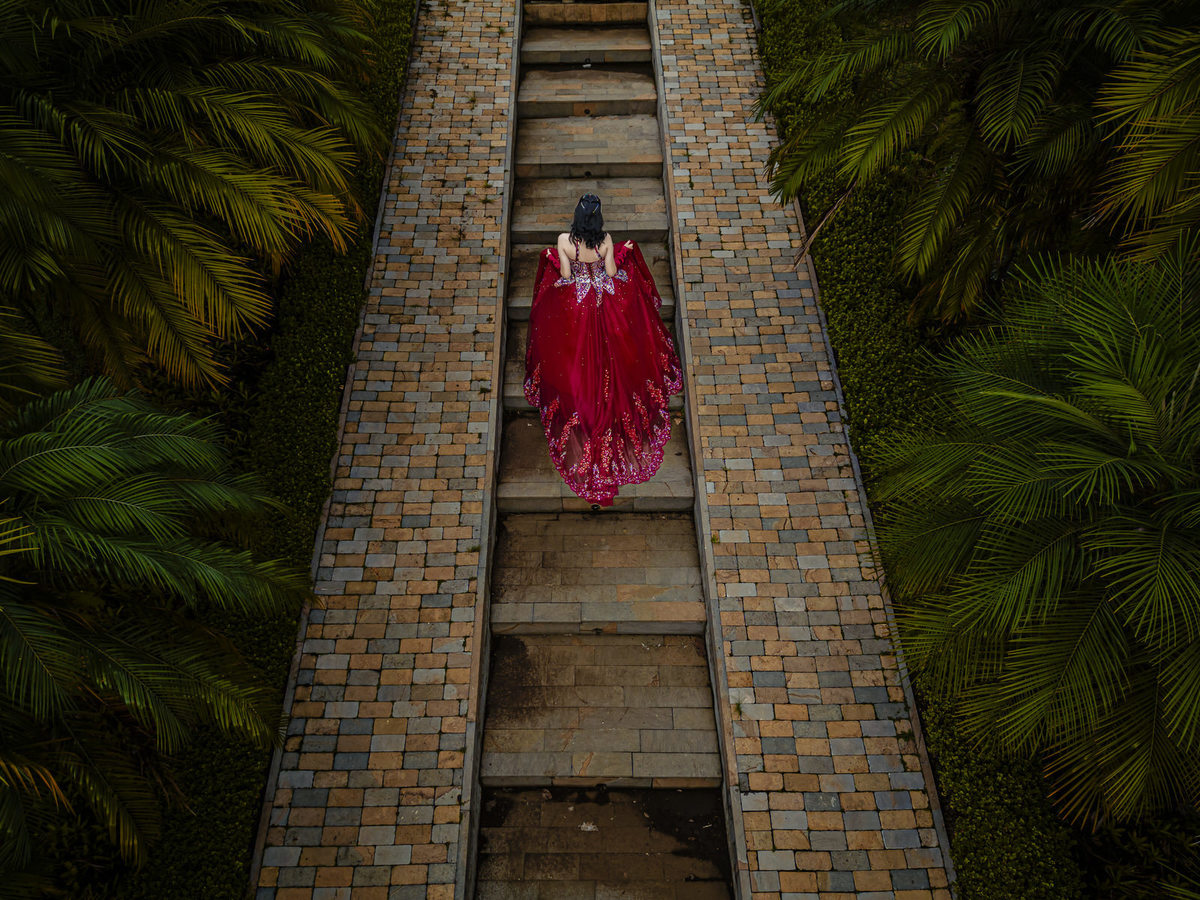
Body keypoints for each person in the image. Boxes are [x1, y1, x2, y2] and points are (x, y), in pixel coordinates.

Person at [523, 193, 683, 508]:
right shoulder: (605, 240)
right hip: (604, 299)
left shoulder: (564, 241)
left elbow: (565, 275)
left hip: (579, 302)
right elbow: (610, 273)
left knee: (573, 353)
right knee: (621, 346)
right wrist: (618, 253)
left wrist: (561, 260)